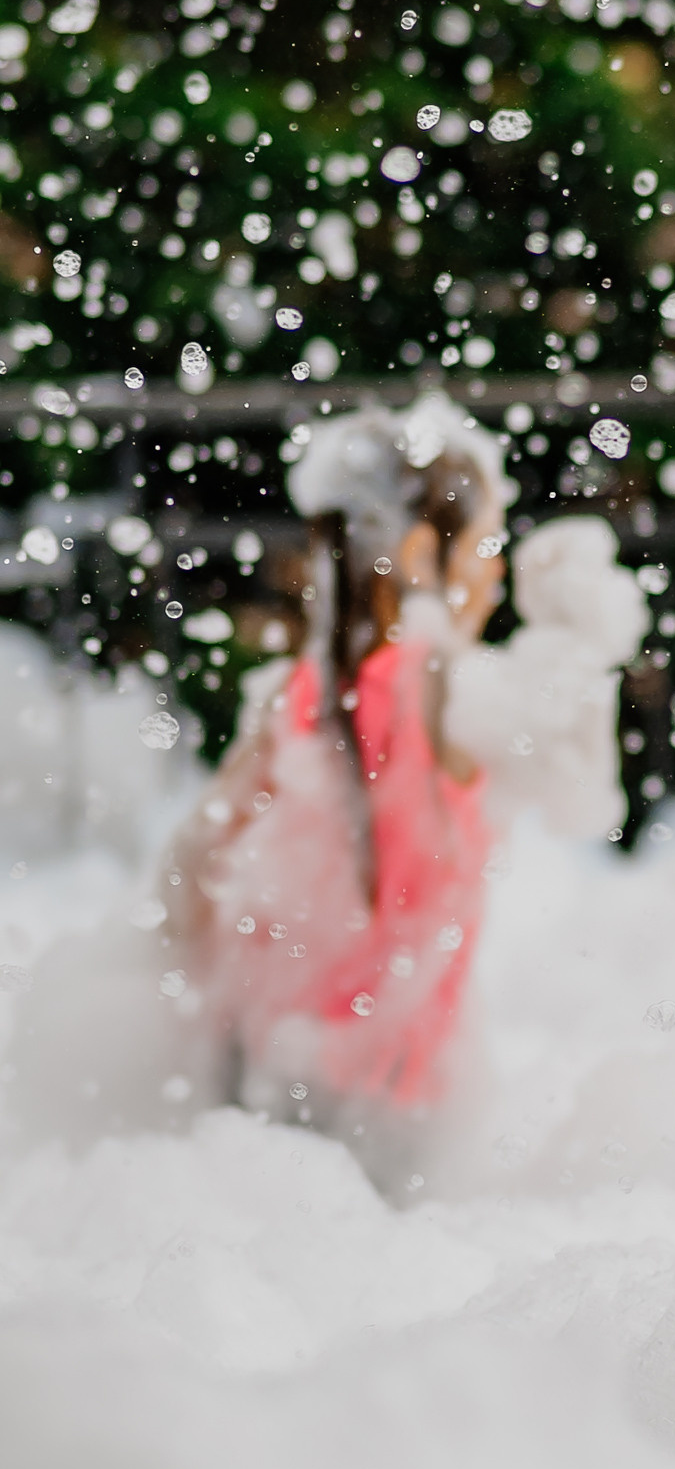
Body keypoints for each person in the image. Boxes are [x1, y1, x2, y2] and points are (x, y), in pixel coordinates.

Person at [166, 396, 511, 1169]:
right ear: (423, 555)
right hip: (392, 1104)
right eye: (488, 544)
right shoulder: (449, 696)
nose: (498, 570)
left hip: (270, 1074)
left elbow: (193, 870)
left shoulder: (299, 697)